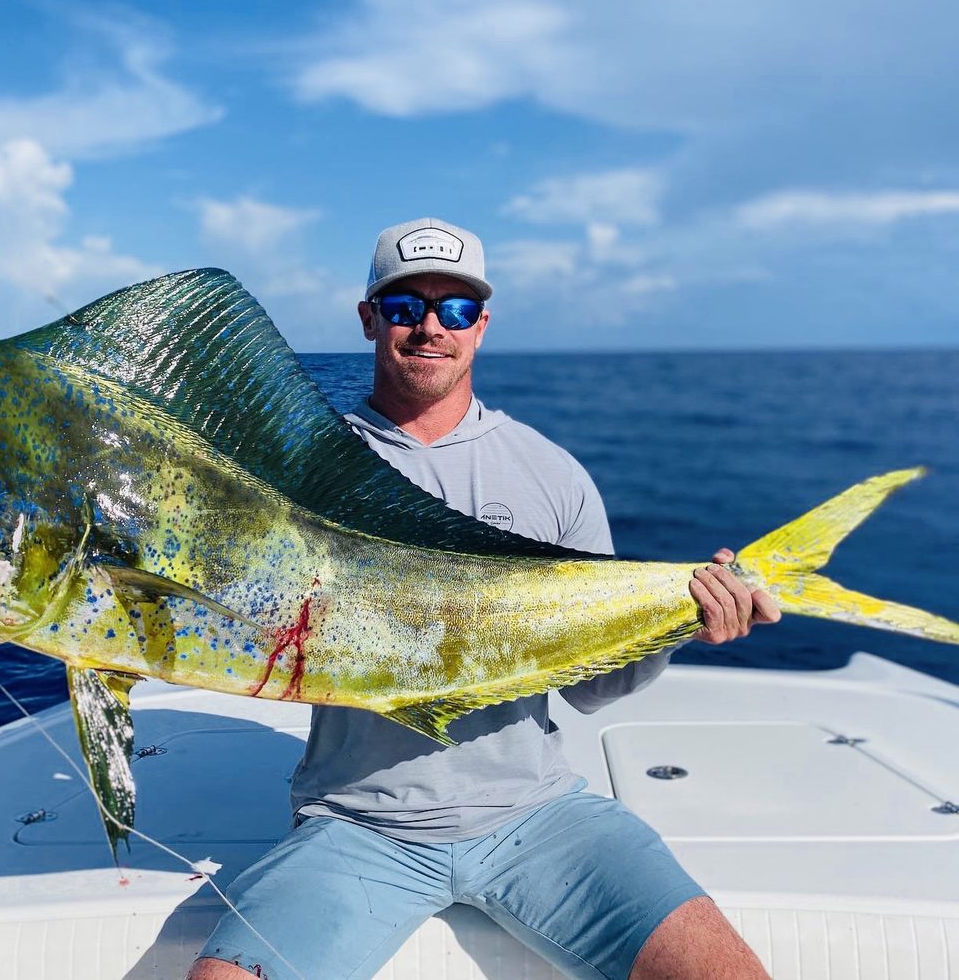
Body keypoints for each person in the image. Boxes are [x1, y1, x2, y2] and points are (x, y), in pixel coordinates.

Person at [188, 217, 781, 980]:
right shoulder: (298, 475)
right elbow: (212, 622)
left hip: (540, 816)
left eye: (456, 309)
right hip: (359, 823)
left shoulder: (551, 474)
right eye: (406, 307)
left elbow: (595, 689)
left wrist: (674, 625)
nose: (431, 327)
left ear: (482, 326)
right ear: (369, 319)